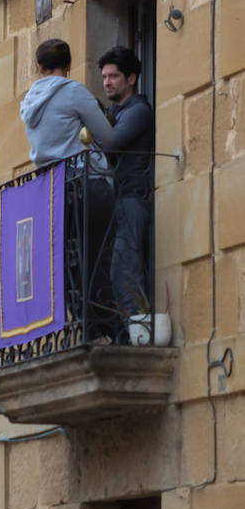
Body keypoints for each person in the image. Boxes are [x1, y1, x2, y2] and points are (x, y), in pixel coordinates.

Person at [19, 38, 117, 340]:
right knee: (98, 256)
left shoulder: (28, 103)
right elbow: (108, 137)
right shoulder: (72, 91)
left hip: (52, 189)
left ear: (38, 66)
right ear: (69, 64)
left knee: (70, 259)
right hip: (86, 182)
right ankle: (107, 325)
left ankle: (82, 324)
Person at [99, 45, 154, 323]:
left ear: (131, 79)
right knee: (108, 270)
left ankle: (138, 333)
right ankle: (120, 331)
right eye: (105, 76)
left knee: (126, 266)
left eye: (114, 76)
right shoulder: (111, 113)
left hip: (132, 198)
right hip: (114, 202)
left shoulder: (139, 110)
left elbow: (109, 144)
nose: (107, 82)